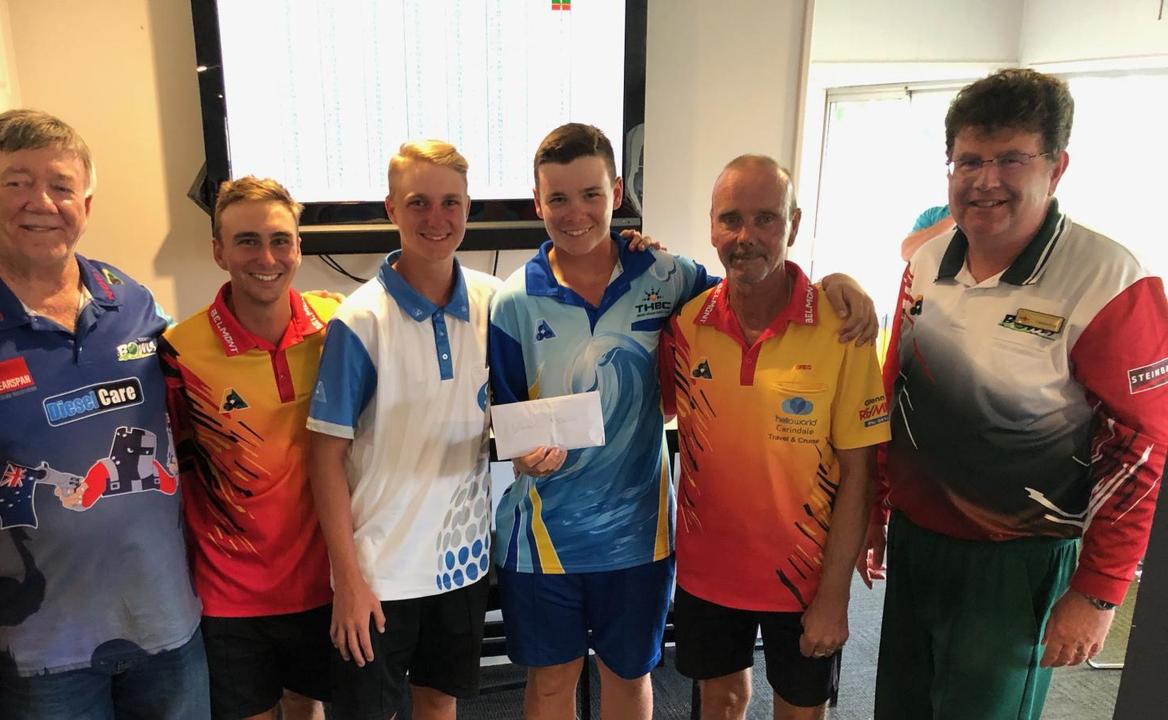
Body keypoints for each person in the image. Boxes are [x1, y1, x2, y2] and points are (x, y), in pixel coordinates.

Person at [487, 124, 879, 720]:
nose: (576, 213)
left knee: (631, 677)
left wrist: (836, 285)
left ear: (616, 193)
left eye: (591, 194)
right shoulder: (513, 302)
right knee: (549, 686)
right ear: (536, 202)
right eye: (558, 198)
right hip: (544, 542)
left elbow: (756, 286)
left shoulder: (666, 276)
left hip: (640, 537)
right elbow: (509, 422)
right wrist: (520, 453)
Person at [863, 68, 1168, 720]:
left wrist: (1100, 590)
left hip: (1016, 560)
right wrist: (876, 507)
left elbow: (1141, 447)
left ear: (1056, 167)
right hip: (919, 541)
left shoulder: (1110, 280)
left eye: (1011, 159)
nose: (986, 179)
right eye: (969, 159)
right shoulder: (927, 261)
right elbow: (899, 390)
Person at [0, 109, 206, 720]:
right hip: (33, 653)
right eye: (16, 182)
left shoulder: (134, 302)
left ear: (86, 202)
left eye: (61, 185)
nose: (41, 202)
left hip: (167, 629)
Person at [661, 155, 890, 720]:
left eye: (766, 219)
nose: (746, 237)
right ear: (711, 226)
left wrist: (835, 594)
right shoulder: (686, 324)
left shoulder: (843, 329)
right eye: (730, 219)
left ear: (793, 223)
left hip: (805, 577)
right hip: (707, 572)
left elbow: (861, 472)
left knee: (801, 710)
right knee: (721, 700)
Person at [305, 140, 499, 720]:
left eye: (450, 203)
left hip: (461, 562)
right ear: (391, 209)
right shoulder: (359, 321)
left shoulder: (496, 303)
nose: (435, 219)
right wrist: (348, 579)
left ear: (469, 208)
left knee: (440, 702)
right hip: (379, 571)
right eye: (418, 203)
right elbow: (324, 460)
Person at [160, 177, 337, 720]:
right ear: (218, 252)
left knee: (308, 709)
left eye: (281, 240)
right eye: (246, 241)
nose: (267, 257)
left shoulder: (339, 325)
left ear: (299, 247)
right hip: (230, 597)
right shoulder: (179, 351)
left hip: (326, 584)